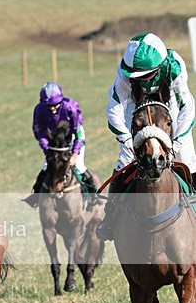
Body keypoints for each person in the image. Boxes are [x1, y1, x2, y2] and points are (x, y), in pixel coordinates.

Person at [96, 32, 196, 240]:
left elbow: (187, 106)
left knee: (186, 159)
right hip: (136, 106)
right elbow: (113, 109)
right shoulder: (125, 73)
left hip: (170, 107)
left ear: (159, 66)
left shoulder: (174, 65)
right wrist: (125, 138)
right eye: (136, 76)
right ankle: (110, 218)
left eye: (144, 75)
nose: (139, 79)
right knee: (124, 160)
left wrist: (178, 139)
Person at [24, 81, 96, 207]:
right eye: (48, 106)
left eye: (55, 105)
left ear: (61, 101)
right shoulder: (39, 110)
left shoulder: (71, 107)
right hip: (53, 141)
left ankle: (92, 194)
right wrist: (48, 151)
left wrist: (74, 154)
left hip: (73, 137)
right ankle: (36, 195)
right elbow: (40, 134)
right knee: (47, 166)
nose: (52, 109)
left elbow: (78, 134)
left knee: (79, 165)